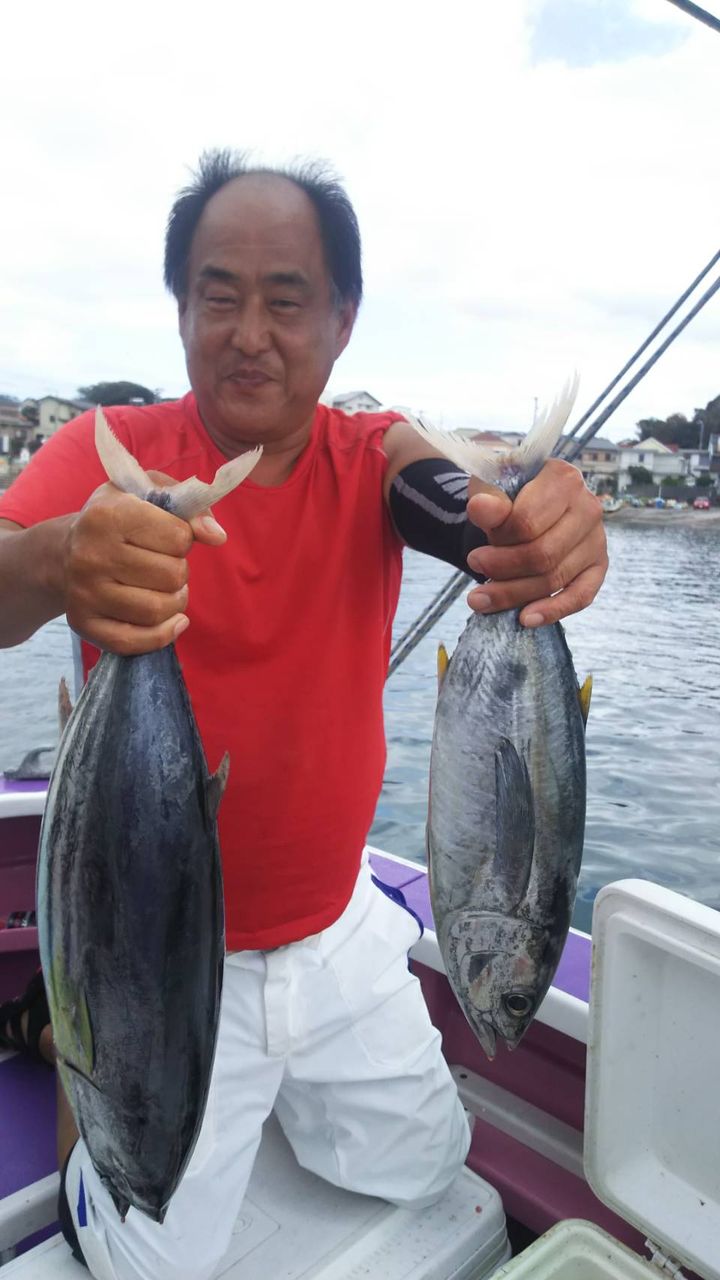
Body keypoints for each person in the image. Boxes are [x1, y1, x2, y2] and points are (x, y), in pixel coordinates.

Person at [0, 151, 607, 1280]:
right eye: (219, 295)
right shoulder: (101, 454)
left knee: (427, 1169)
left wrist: (524, 525)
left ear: (342, 319)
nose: (250, 333)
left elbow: (446, 503)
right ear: (181, 307)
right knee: (141, 1254)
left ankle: (178, 1051)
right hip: (160, 947)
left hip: (335, 930)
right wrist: (52, 557)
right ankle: (62, 1024)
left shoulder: (372, 455)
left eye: (286, 301)